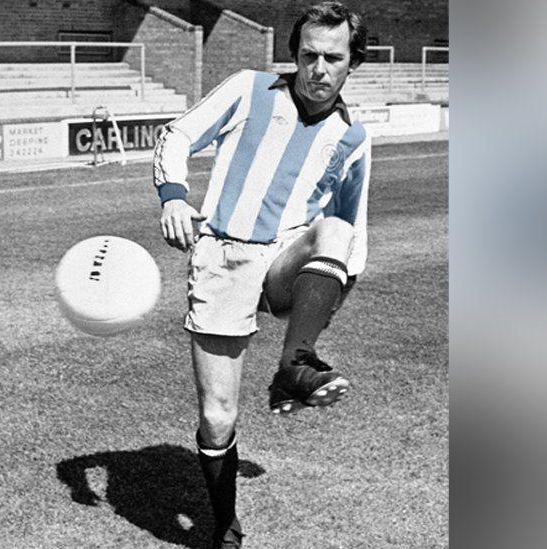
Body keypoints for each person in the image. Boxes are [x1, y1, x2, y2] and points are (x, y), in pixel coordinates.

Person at [152, 2, 370, 547]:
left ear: (353, 62)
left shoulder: (352, 136)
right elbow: (176, 136)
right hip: (223, 258)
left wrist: (330, 298)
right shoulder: (248, 89)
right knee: (218, 417)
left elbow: (354, 234)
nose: (318, 69)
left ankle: (295, 363)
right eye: (308, 56)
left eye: (333, 58)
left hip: (282, 261)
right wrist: (175, 198)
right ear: (294, 55)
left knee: (338, 229)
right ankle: (224, 525)